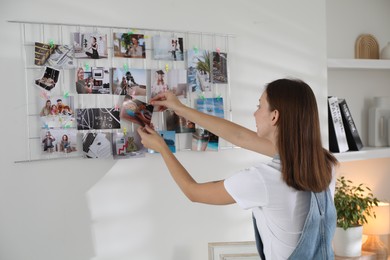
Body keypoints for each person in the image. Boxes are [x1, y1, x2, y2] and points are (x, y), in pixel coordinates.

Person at [137, 78, 338, 259]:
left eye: (260, 106)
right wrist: (181, 109)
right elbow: (240, 137)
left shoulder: (264, 179)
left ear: (274, 116)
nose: (255, 113)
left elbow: (193, 192)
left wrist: (162, 148)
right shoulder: (324, 163)